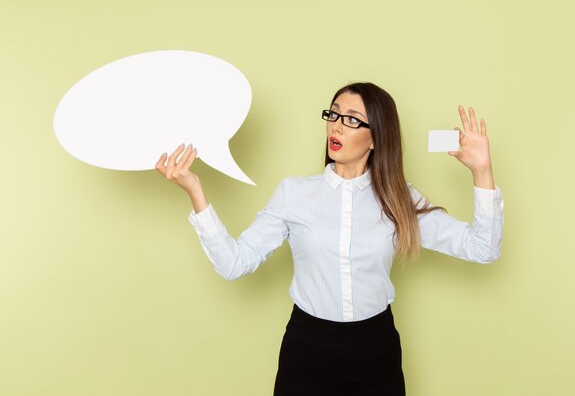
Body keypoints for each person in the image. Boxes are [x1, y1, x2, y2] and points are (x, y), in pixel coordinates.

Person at [155, 82, 504, 396]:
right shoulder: (294, 194)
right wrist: (195, 191)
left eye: (352, 119)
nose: (336, 125)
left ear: (377, 137)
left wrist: (482, 171)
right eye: (333, 114)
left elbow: (483, 248)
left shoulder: (400, 199)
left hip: (376, 348)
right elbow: (234, 264)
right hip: (308, 349)